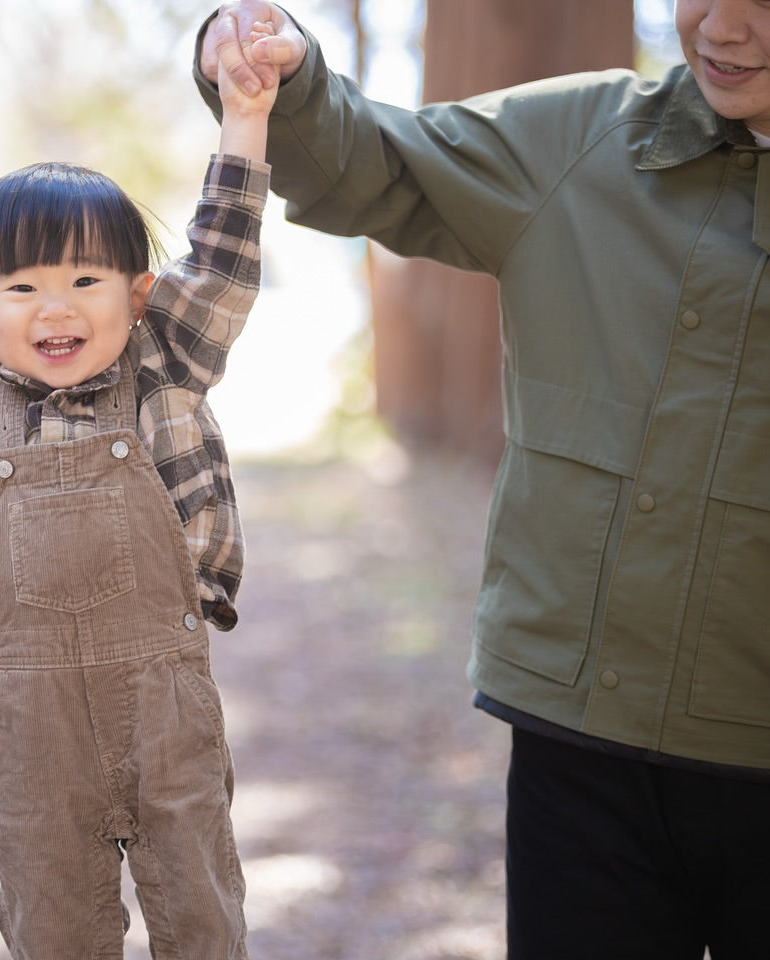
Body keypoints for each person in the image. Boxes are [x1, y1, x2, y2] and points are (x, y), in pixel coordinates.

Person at [196, 2, 770, 958]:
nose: (720, 25)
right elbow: (365, 161)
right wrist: (276, 71)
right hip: (576, 748)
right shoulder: (584, 136)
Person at [0, 32, 275, 959]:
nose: (57, 309)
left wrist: (245, 115)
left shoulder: (167, 361)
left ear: (137, 296)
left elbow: (224, 252)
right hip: (30, 715)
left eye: (87, 280)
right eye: (22, 287)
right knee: (52, 917)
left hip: (163, 697)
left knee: (200, 912)